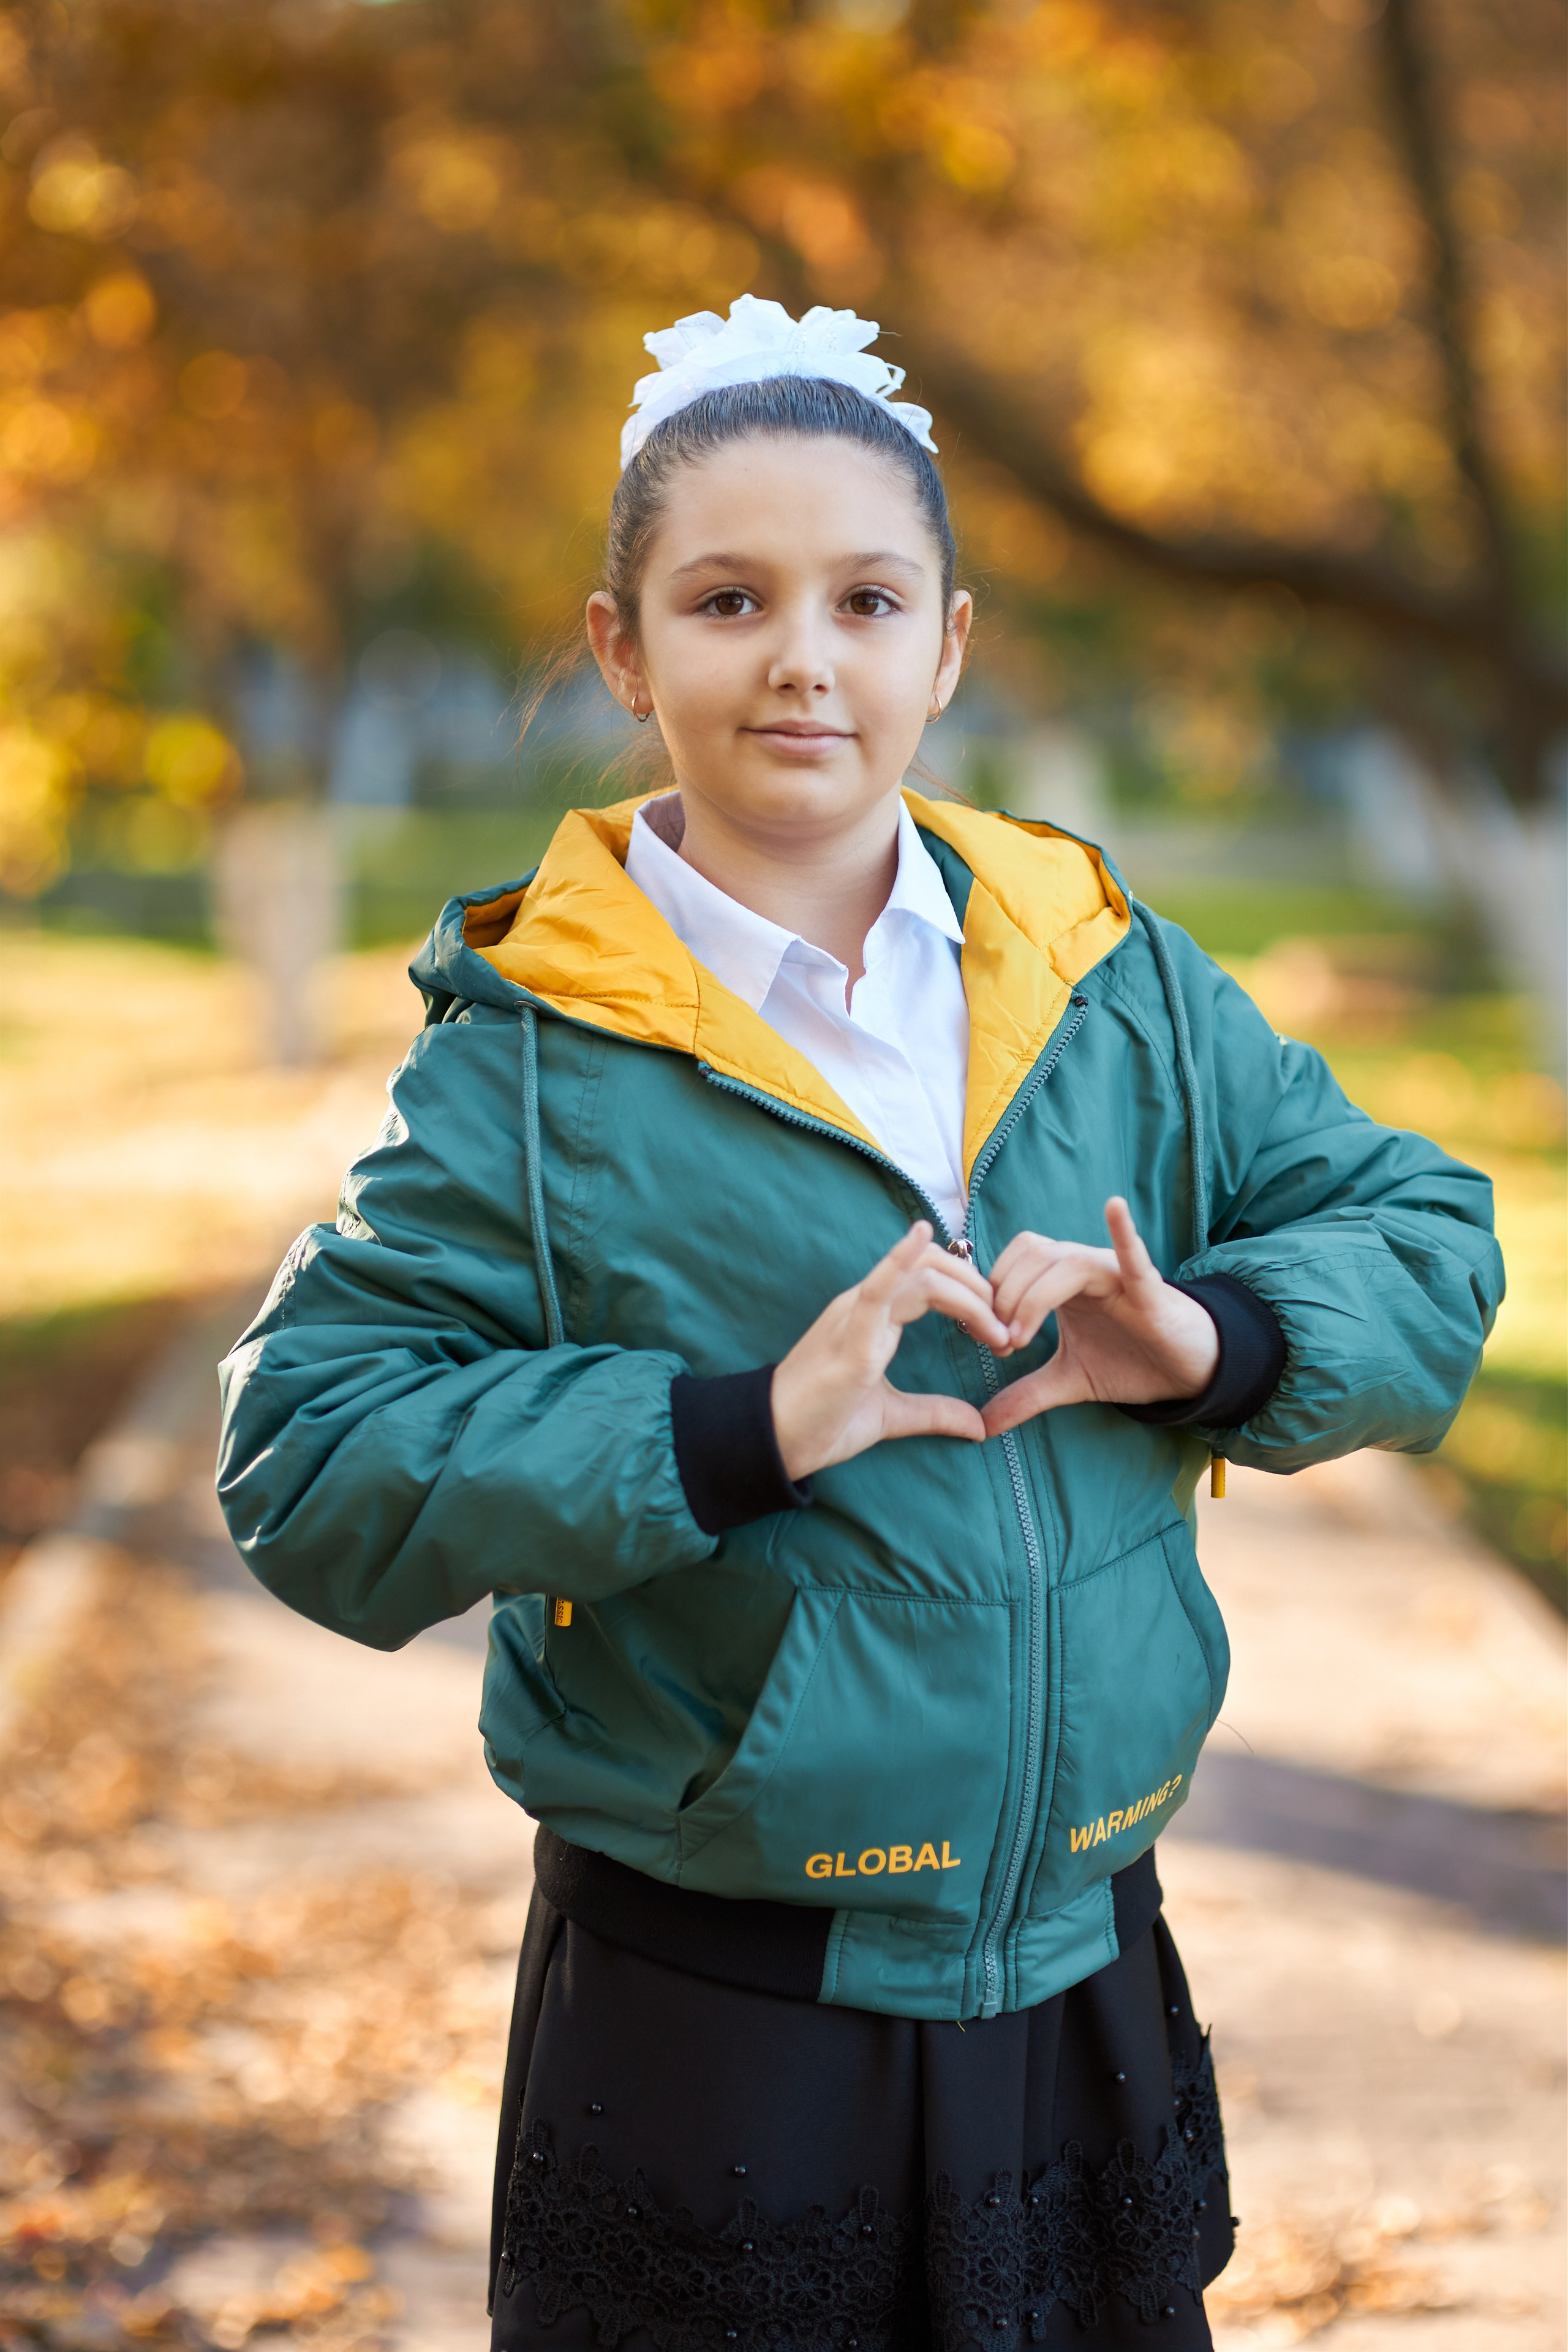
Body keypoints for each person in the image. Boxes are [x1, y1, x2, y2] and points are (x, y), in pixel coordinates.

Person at [216, 295, 1502, 2351]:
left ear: (949, 645)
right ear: (626, 649)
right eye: (729, 599)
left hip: (1081, 1970)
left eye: (865, 598)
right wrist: (728, 1432)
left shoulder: (1117, 976)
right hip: (717, 2024)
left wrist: (1225, 1342)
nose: (804, 656)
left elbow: (1423, 1231)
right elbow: (308, 1456)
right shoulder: (531, 1059)